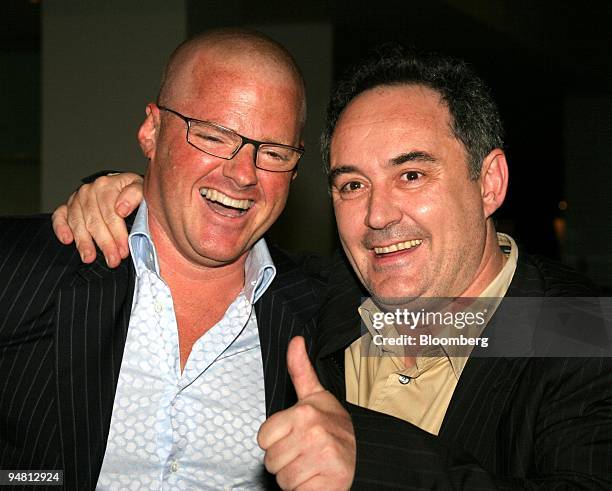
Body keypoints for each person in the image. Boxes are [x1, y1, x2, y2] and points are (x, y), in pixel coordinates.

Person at [56, 45, 612, 488]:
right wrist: (126, 194)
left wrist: (369, 467)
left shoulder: (578, 331)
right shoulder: (327, 301)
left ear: (488, 182)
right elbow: (203, 236)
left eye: (411, 175)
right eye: (351, 184)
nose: (377, 215)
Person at [0, 28, 363, 490]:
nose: (243, 175)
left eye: (273, 152)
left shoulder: (325, 309)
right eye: (213, 137)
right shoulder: (21, 267)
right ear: (152, 131)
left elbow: (469, 322)